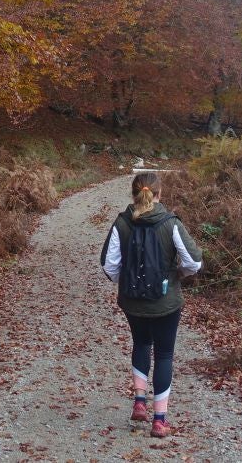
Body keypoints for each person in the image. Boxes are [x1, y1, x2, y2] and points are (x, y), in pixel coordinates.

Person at [99, 170, 202, 438]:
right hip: (166, 301)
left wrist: (127, 283)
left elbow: (110, 266)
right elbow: (194, 262)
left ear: (133, 193)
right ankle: (159, 421)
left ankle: (139, 402)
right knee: (165, 354)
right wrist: (178, 275)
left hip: (132, 302)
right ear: (159, 194)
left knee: (141, 343)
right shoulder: (171, 223)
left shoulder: (122, 223)